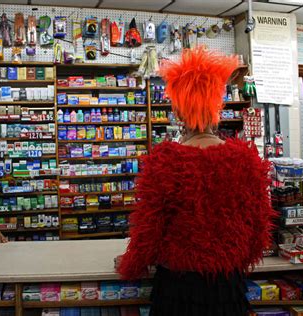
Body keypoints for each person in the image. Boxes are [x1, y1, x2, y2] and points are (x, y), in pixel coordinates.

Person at [117, 47, 276, 315]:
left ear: (178, 113)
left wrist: (130, 265)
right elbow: (260, 230)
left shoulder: (165, 161)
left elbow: (148, 231)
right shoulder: (245, 160)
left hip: (177, 287)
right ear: (218, 108)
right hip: (227, 287)